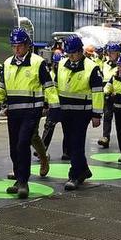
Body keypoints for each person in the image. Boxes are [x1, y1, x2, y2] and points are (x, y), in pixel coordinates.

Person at [0, 27, 59, 198]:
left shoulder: (38, 63)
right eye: (14, 46)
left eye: (20, 46)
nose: (16, 49)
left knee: (23, 144)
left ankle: (23, 182)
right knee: (13, 147)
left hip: (31, 111)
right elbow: (1, 86)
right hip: (14, 112)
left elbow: (49, 87)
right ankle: (18, 178)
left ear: (27, 45)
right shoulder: (7, 63)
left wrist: (54, 108)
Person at [48, 35, 104, 190]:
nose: (71, 56)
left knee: (76, 143)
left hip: (82, 113)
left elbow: (98, 92)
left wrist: (96, 114)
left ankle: (74, 175)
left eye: (73, 53)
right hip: (65, 112)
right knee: (70, 143)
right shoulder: (61, 64)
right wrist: (53, 106)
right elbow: (55, 86)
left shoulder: (92, 68)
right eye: (69, 53)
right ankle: (84, 170)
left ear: (80, 51)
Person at [40, 50, 69, 160]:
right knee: (48, 127)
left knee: (67, 129)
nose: (57, 66)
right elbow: (46, 89)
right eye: (56, 64)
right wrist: (45, 104)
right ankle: (42, 150)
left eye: (58, 64)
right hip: (52, 106)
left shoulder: (65, 74)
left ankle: (67, 152)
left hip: (64, 105)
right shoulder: (49, 74)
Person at [97, 42, 121, 148]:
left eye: (112, 52)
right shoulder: (105, 64)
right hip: (107, 93)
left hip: (118, 94)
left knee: (120, 118)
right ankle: (105, 137)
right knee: (107, 115)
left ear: (118, 53)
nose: (110, 55)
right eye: (109, 52)